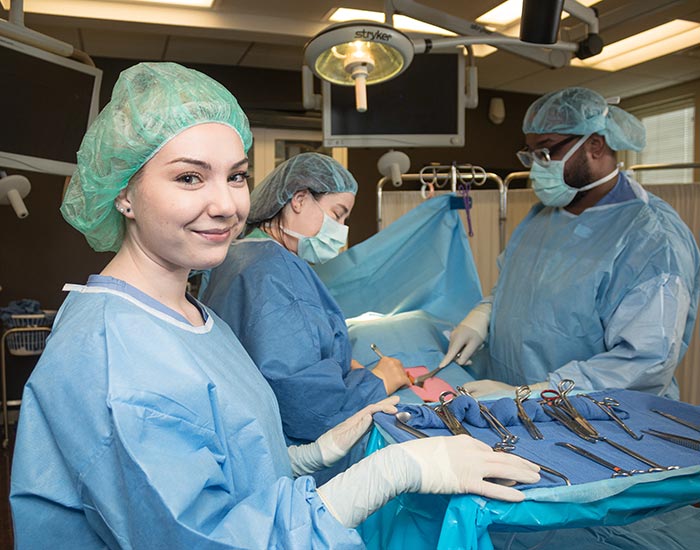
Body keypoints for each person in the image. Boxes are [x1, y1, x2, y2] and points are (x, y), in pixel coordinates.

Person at [9, 62, 539, 548]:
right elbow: (201, 537)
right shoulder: (113, 357)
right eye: (189, 177)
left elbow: (227, 465)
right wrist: (388, 472)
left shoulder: (191, 317)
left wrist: (311, 454)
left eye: (236, 175)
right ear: (123, 192)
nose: (226, 205)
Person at [441, 86, 700, 400]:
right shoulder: (542, 217)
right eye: (531, 153)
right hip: (514, 406)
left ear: (594, 145)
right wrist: (482, 317)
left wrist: (537, 392)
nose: (536, 165)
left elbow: (644, 362)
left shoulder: (654, 240)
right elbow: (513, 291)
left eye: (546, 151)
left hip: (599, 421)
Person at [200, 153, 411, 473]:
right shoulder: (272, 270)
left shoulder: (239, 254)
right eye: (337, 215)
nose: (341, 231)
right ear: (299, 199)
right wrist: (378, 382)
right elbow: (309, 409)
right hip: (294, 457)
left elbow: (280, 350)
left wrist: (339, 361)